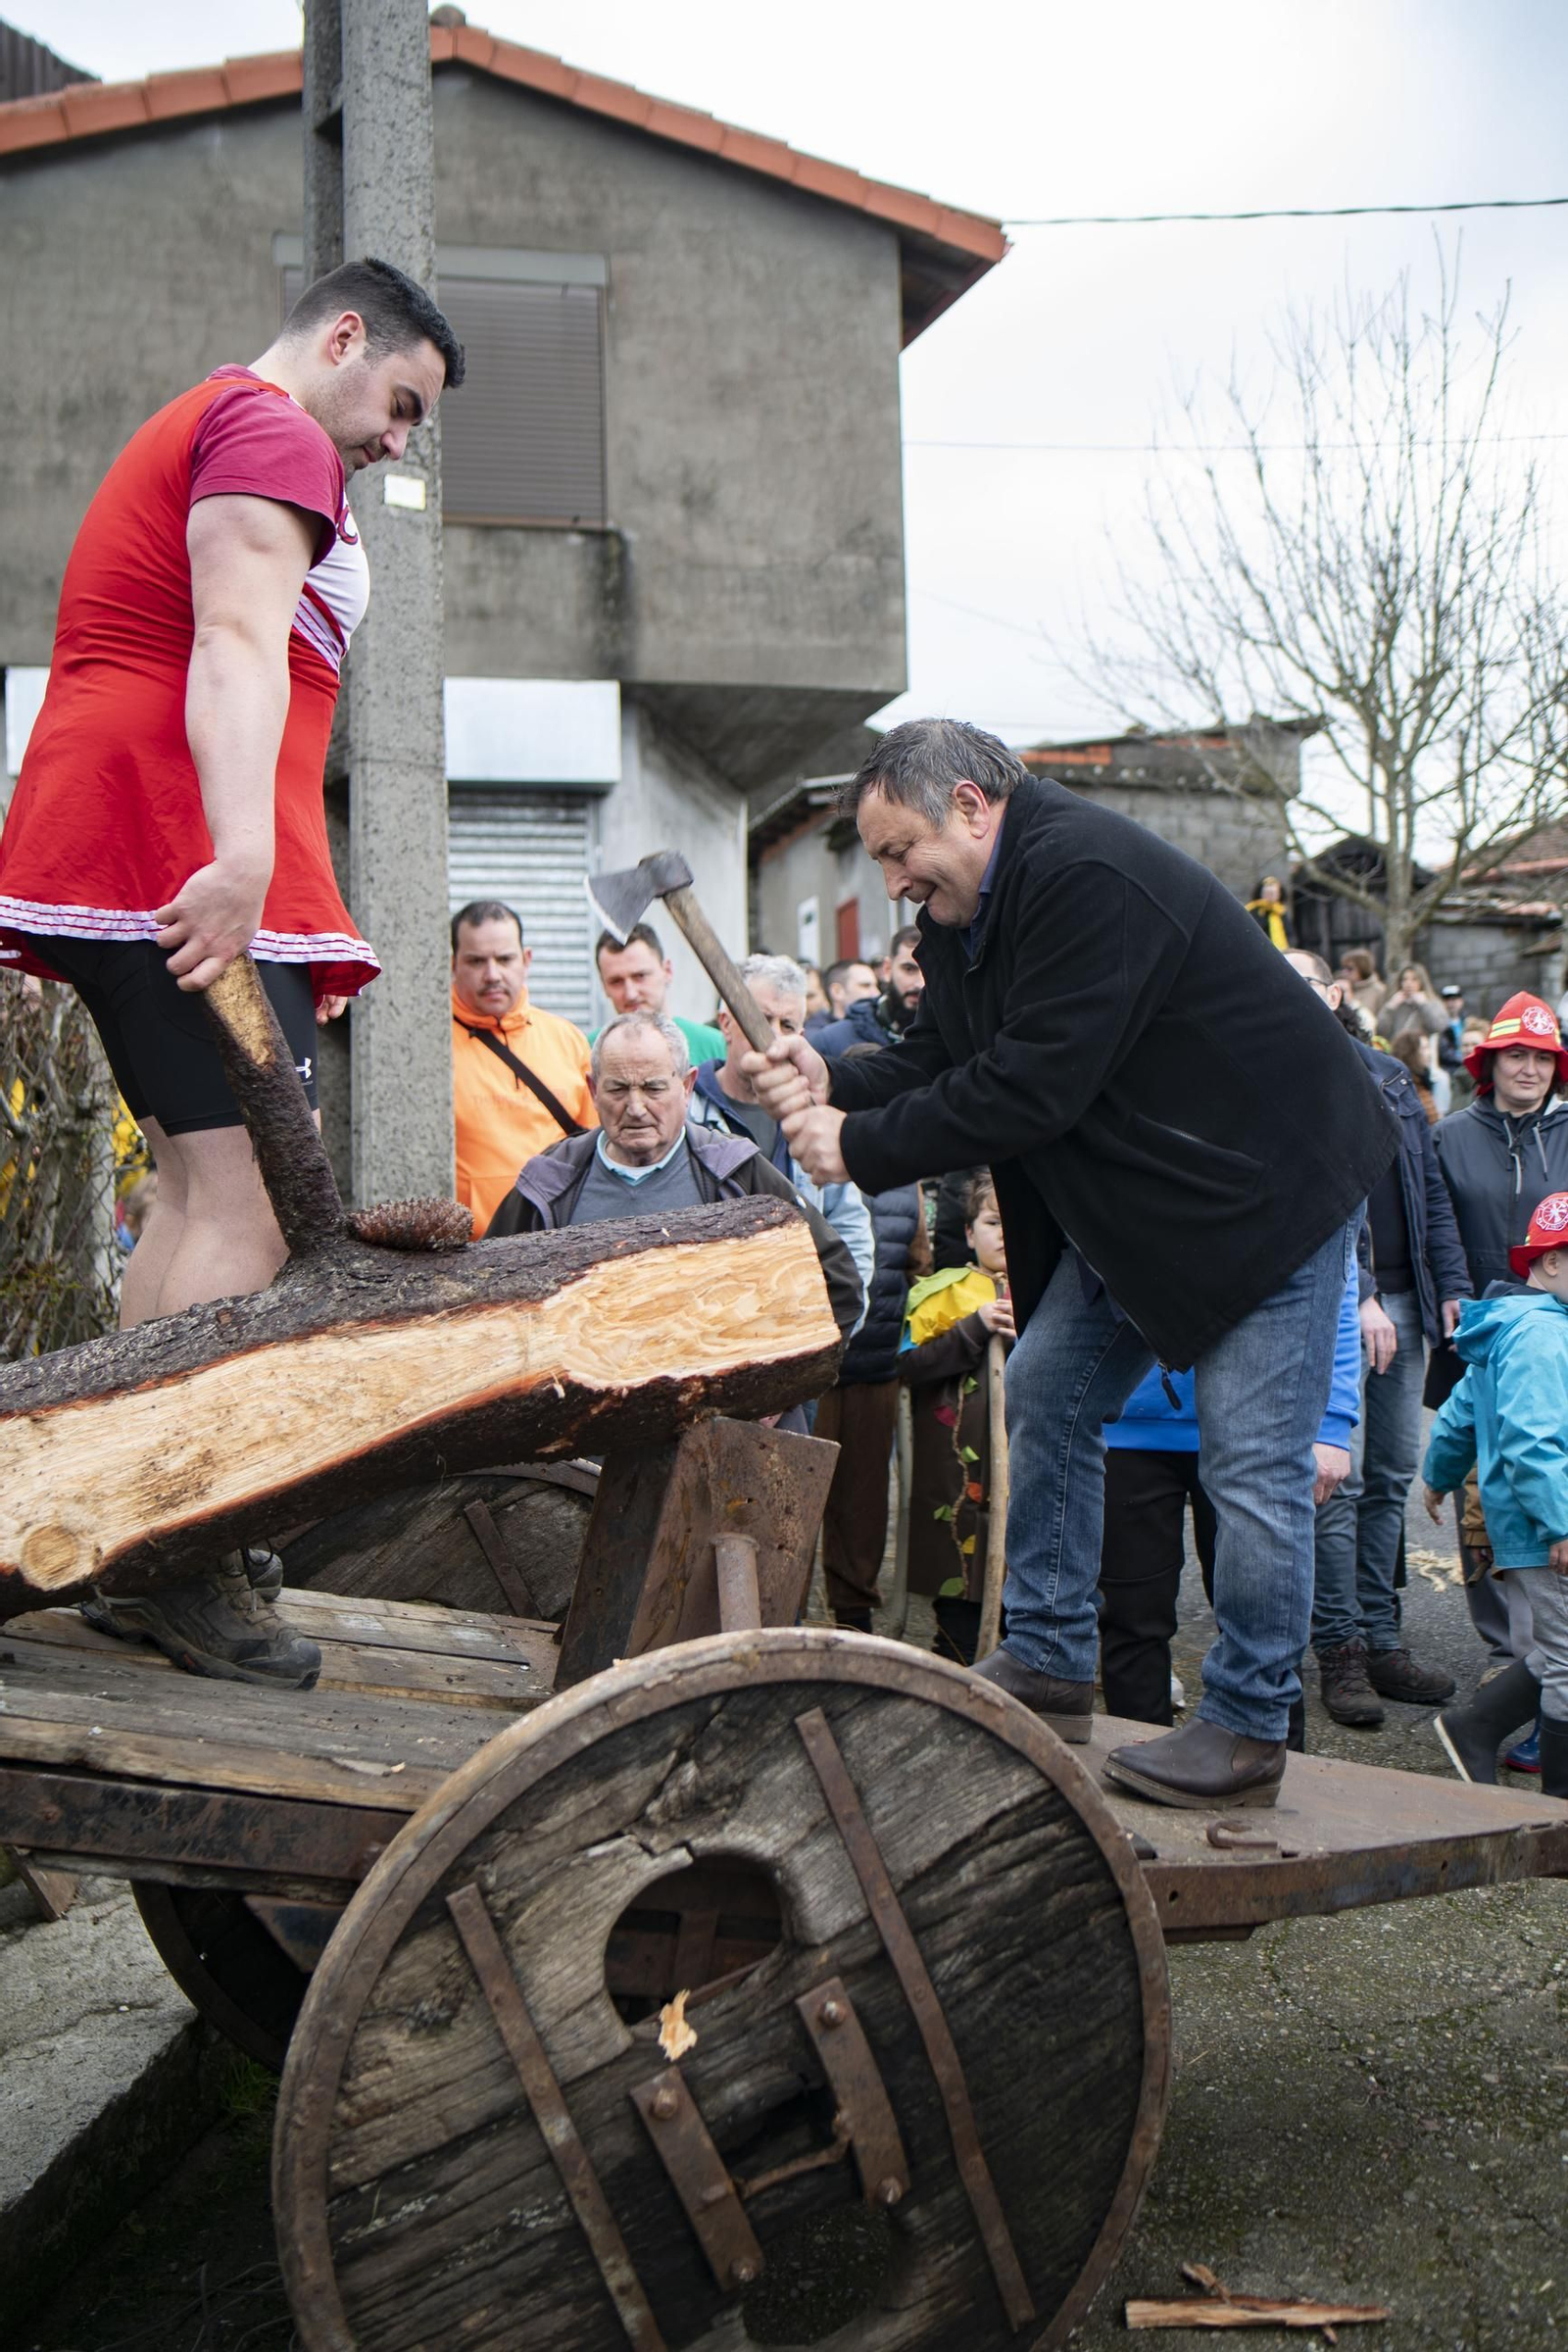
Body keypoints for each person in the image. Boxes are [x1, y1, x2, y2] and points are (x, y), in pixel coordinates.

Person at [746, 716, 1395, 1809]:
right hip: (1151, 1202)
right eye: (882, 862)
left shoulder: (1085, 877)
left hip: (1266, 1193)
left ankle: (1244, 1725)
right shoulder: (968, 914)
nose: (895, 881)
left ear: (968, 803)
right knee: (1047, 1390)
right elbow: (945, 1052)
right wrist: (829, 1068)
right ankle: (1048, 1657)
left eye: (901, 849)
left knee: (1248, 1468)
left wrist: (852, 1146)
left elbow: (1031, 1088)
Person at [0, 256, 464, 1685]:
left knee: (204, 1190)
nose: (398, 439)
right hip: (177, 833)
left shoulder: (216, 424)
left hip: (136, 817)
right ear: (341, 338)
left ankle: (113, 1527)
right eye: (400, 400)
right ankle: (168, 1544)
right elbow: (239, 643)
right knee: (248, 1202)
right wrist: (244, 851)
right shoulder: (269, 430)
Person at [1284, 951, 1469, 1725]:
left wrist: (1451, 1286)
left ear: (1337, 991)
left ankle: (1384, 1636)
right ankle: (1342, 1650)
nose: (1295, 995)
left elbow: (1427, 1193)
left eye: (1308, 981)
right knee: (1341, 1474)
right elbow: (1327, 1203)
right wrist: (1360, 1295)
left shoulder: (1390, 1075)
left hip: (1408, 1298)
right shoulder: (1272, 1075)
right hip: (1335, 1301)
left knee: (1394, 1471)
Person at [485, 1009, 862, 1344]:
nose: (635, 1108)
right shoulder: (551, 1181)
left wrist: (779, 1384)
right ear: (594, 1090)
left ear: (686, 1087)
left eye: (653, 1088)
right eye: (618, 1089)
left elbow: (836, 1281)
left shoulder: (735, 1171)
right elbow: (485, 1297)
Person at [1099, 1254, 1360, 1734]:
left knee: (1262, 1628)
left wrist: (1333, 1422)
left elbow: (1335, 1284)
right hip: (1127, 1427)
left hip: (1255, 1429)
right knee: (1131, 1623)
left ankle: (1275, 1768)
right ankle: (1132, 1768)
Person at [1431, 990, 1568, 1661]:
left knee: (1549, 1461)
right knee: (1479, 1479)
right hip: (1481, 1330)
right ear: (1491, 1062)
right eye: (1517, 1054)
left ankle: (1553, 1638)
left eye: (1543, 1058)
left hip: (1559, 1333)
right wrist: (1453, 1292)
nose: (1530, 1069)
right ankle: (1501, 1646)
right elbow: (1436, 1225)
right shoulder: (1450, 1136)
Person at [1423, 1191, 1568, 1797]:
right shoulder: (1540, 1335)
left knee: (1561, 1646)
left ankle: (1473, 1728)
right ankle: (1559, 1814)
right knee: (1567, 1661)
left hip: (1537, 1520)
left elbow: (1459, 1414)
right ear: (1553, 1261)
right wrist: (1560, 1524)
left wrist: (1436, 1474)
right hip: (1546, 1526)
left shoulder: (1513, 1325)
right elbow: (1532, 1442)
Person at [689, 954, 874, 1322]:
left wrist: (841, 1323)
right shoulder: (687, 1116)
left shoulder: (815, 1118)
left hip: (798, 1324)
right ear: (726, 1024)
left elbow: (849, 1227)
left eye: (787, 1024)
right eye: (760, 1018)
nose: (772, 1035)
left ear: (801, 1038)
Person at [814, 1046, 925, 1633]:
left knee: (862, 1503)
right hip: (817, 1369)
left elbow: (916, 1263)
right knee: (799, 1494)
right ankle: (778, 1613)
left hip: (876, 1366)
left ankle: (853, 1618)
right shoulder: (816, 1169)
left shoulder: (907, 1181)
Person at [900, 1174, 1015, 1664]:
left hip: (1022, 1472)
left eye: (1013, 1223)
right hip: (956, 1478)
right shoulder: (941, 1294)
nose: (1003, 1234)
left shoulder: (1055, 1297)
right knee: (959, 1598)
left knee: (1021, 1593)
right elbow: (908, 1367)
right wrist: (974, 1328)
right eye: (991, 1222)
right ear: (969, 1233)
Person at [451, 900, 596, 1237]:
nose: (492, 975)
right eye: (476, 961)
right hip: (469, 1250)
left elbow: (597, 1148)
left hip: (558, 1240)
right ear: (454, 964)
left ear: (525, 960)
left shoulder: (567, 1038)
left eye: (504, 959)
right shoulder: (430, 1050)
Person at [592, 921, 725, 1067]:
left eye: (640, 976)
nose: (630, 994)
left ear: (667, 971)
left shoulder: (716, 1046)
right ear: (603, 985)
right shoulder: (584, 1051)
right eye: (616, 981)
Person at [812, 925, 926, 1053]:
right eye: (909, 969)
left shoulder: (949, 1033)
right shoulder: (831, 1040)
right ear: (887, 969)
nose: (920, 983)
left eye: (929, 971)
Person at [1387, 1028, 1440, 1122]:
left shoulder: (1422, 1083)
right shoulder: (1404, 1088)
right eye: (1424, 1048)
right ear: (1411, 1053)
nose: (1429, 1053)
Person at [819, 957, 879, 1023]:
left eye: (876, 986)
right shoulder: (816, 1031)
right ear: (837, 991)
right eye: (865, 986)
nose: (877, 993)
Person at [1338, 949, 1388, 1025]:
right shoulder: (1343, 986)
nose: (1344, 972)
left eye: (1350, 969)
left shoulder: (1378, 990)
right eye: (1344, 968)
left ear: (1362, 968)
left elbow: (1382, 1019)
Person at [1245, 875, 1292, 951]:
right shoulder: (1252, 910)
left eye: (1273, 893)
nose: (1270, 896)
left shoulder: (1281, 911)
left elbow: (1289, 933)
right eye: (1267, 893)